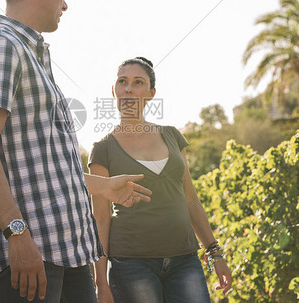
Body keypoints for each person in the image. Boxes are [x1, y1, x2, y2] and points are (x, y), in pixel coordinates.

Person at [0, 0, 151, 303]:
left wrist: (103, 187)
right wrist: (17, 233)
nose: (65, 4)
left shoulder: (32, 54)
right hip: (33, 255)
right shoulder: (1, 47)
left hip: (69, 250)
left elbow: (44, 169)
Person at [89, 57, 232, 303]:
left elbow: (191, 198)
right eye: (122, 82)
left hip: (185, 260)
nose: (128, 89)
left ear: (151, 93)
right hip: (131, 265)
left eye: (138, 82)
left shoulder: (172, 136)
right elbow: (100, 219)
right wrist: (101, 284)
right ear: (114, 91)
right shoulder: (103, 149)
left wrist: (214, 252)